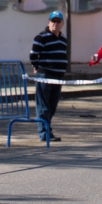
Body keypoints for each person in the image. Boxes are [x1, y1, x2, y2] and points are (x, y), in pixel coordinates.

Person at [29, 10, 68, 142]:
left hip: (58, 78)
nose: (55, 24)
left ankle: (47, 130)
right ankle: (44, 134)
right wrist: (36, 66)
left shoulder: (63, 39)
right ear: (49, 22)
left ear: (62, 23)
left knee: (52, 106)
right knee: (43, 106)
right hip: (45, 75)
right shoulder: (41, 37)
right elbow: (33, 55)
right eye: (53, 21)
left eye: (58, 21)